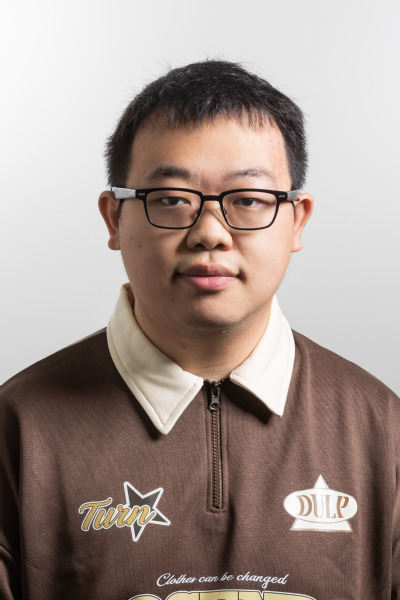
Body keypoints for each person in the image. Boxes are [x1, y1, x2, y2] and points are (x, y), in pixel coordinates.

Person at [0, 60, 399, 600]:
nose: (210, 233)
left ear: (297, 219)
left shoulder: (382, 429)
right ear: (114, 218)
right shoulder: (18, 427)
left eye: (248, 200)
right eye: (171, 199)